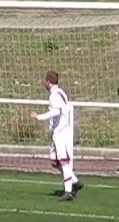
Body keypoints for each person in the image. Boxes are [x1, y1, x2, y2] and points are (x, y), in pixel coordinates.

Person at [31, 70, 84, 202]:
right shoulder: (60, 92)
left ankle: (68, 191)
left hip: (61, 132)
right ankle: (75, 181)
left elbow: (56, 111)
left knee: (63, 161)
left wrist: (39, 117)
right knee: (54, 161)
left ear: (48, 82)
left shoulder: (55, 95)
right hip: (58, 132)